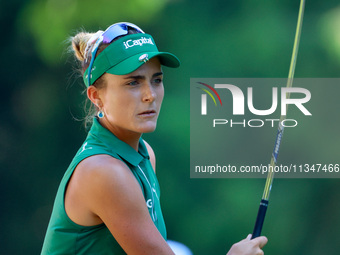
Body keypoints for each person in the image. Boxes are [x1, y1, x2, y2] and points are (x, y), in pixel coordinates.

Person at [41, 22, 268, 255]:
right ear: (96, 96)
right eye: (133, 82)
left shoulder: (145, 154)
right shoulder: (104, 170)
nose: (150, 95)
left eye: (156, 80)